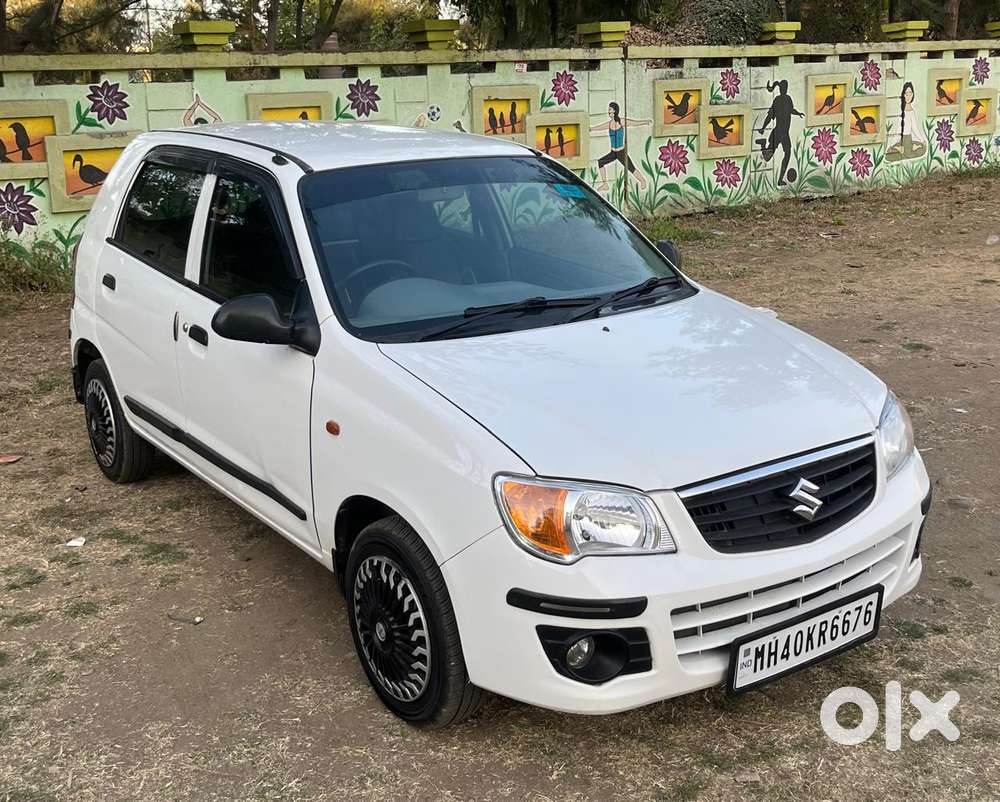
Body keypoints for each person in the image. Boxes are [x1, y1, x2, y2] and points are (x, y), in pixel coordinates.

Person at [590, 102, 651, 191]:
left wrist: (645, 122)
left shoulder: (621, 121)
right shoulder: (609, 124)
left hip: (621, 152)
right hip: (613, 152)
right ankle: (605, 184)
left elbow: (633, 123)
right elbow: (600, 127)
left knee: (631, 168)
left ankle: (642, 180)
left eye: (610, 109)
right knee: (600, 162)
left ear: (614, 110)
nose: (608, 111)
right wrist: (591, 129)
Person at [756, 80, 803, 186]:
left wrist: (798, 113)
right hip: (778, 132)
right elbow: (770, 115)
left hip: (784, 133)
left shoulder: (788, 99)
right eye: (784, 88)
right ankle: (763, 144)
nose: (785, 89)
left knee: (788, 153)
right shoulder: (777, 100)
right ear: (781, 88)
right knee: (768, 158)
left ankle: (780, 180)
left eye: (786, 87)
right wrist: (763, 127)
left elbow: (791, 110)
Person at [887, 82, 927, 161]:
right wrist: (892, 144)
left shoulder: (912, 111)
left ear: (913, 94)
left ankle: (906, 150)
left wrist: (922, 140)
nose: (908, 96)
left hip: (908, 139)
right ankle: (903, 150)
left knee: (923, 148)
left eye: (910, 93)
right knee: (889, 154)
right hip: (902, 140)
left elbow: (915, 129)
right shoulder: (901, 111)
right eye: (906, 94)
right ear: (903, 95)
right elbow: (898, 131)